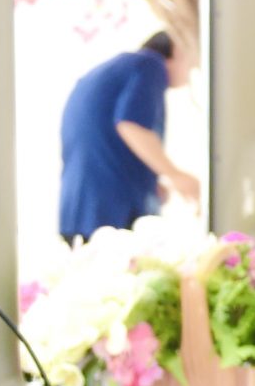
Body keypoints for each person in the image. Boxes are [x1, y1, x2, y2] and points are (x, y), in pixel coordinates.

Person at [57, 29, 197, 240]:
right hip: (107, 210)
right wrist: (177, 176)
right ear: (177, 50)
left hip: (83, 208)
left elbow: (109, 135)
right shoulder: (149, 65)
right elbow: (131, 126)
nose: (192, 72)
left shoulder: (122, 69)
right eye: (192, 64)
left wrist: (150, 182)